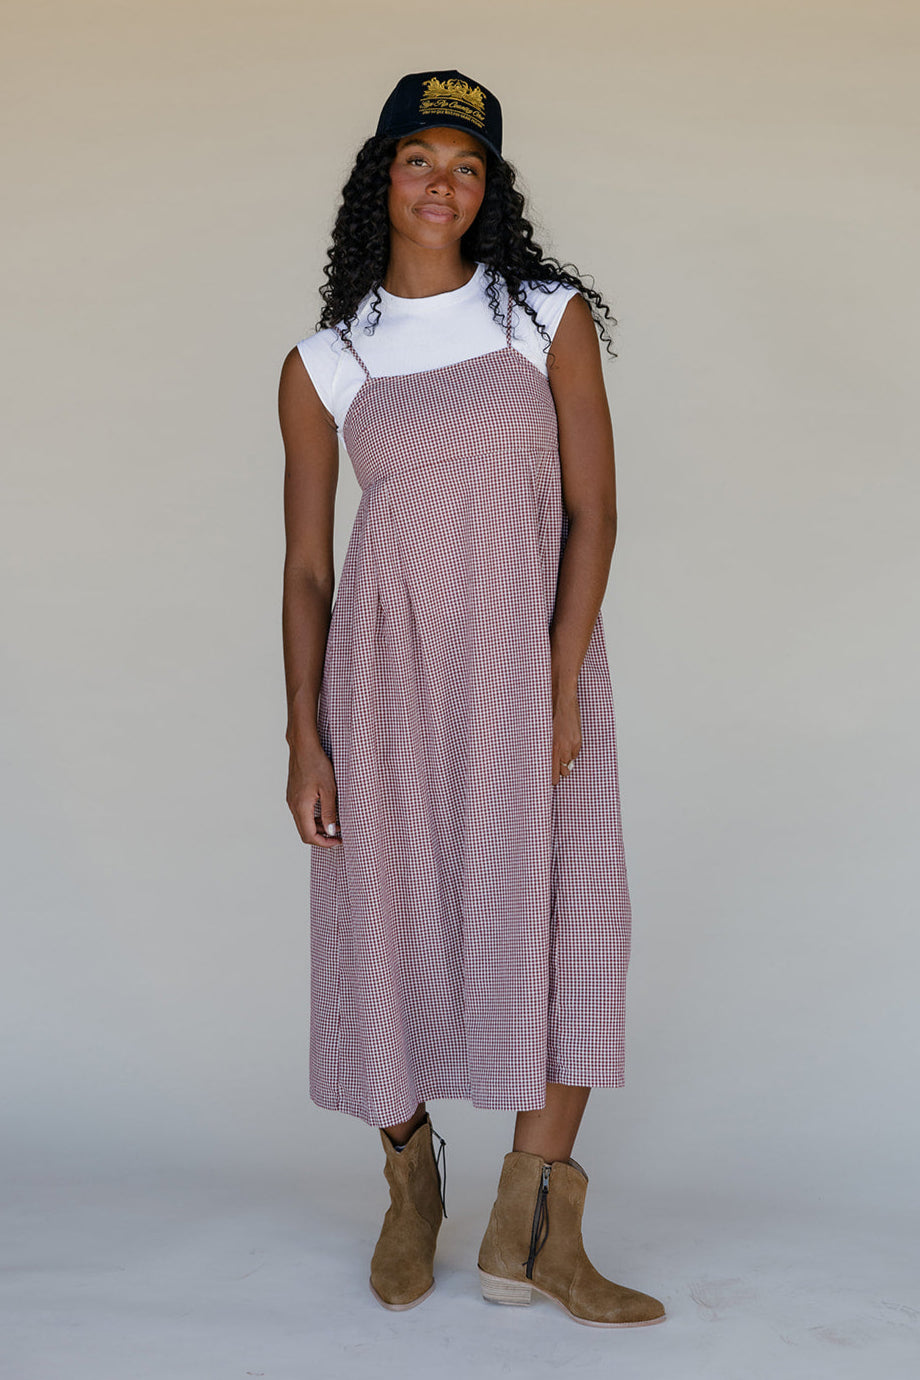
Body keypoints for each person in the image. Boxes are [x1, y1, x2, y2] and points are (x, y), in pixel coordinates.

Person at [278, 69, 665, 1328]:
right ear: (379, 177)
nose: (441, 184)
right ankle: (411, 1187)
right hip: (383, 683)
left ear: (489, 188)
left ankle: (532, 1234)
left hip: (532, 667)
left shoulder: (539, 316)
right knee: (381, 918)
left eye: (466, 165)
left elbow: (594, 513)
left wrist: (557, 680)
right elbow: (306, 568)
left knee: (568, 919)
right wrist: (304, 737)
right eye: (418, 160)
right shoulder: (327, 362)